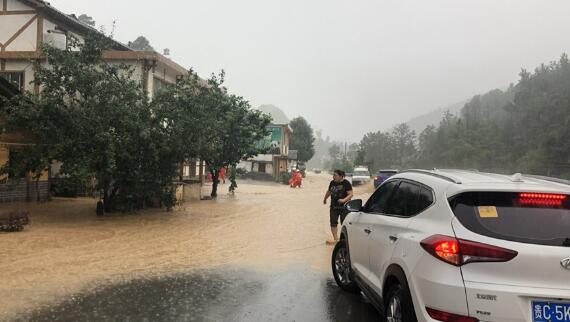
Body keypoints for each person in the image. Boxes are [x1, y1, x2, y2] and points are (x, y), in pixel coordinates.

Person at [323, 169, 353, 244]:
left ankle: (344, 239)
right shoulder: (332, 183)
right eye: (333, 175)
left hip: (344, 207)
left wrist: (343, 200)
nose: (333, 177)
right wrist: (325, 199)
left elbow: (351, 194)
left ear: (341, 176)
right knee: (333, 223)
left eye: (335, 175)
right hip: (334, 207)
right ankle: (336, 239)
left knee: (344, 223)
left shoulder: (346, 183)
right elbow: (329, 191)